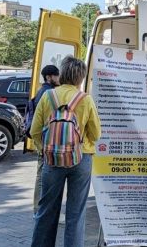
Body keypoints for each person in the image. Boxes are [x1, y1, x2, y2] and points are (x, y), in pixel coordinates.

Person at [30, 56, 101, 247]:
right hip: (81, 158)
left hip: (52, 158)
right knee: (76, 213)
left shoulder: (48, 96)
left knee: (46, 211)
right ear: (81, 78)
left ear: (62, 74)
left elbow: (34, 131)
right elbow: (96, 133)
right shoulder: (85, 100)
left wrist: (44, 150)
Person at [25, 65, 60, 216]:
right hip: (46, 142)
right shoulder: (48, 93)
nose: (59, 78)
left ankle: (39, 209)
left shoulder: (42, 91)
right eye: (57, 76)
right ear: (49, 77)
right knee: (42, 178)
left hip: (43, 141)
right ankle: (38, 210)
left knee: (42, 176)